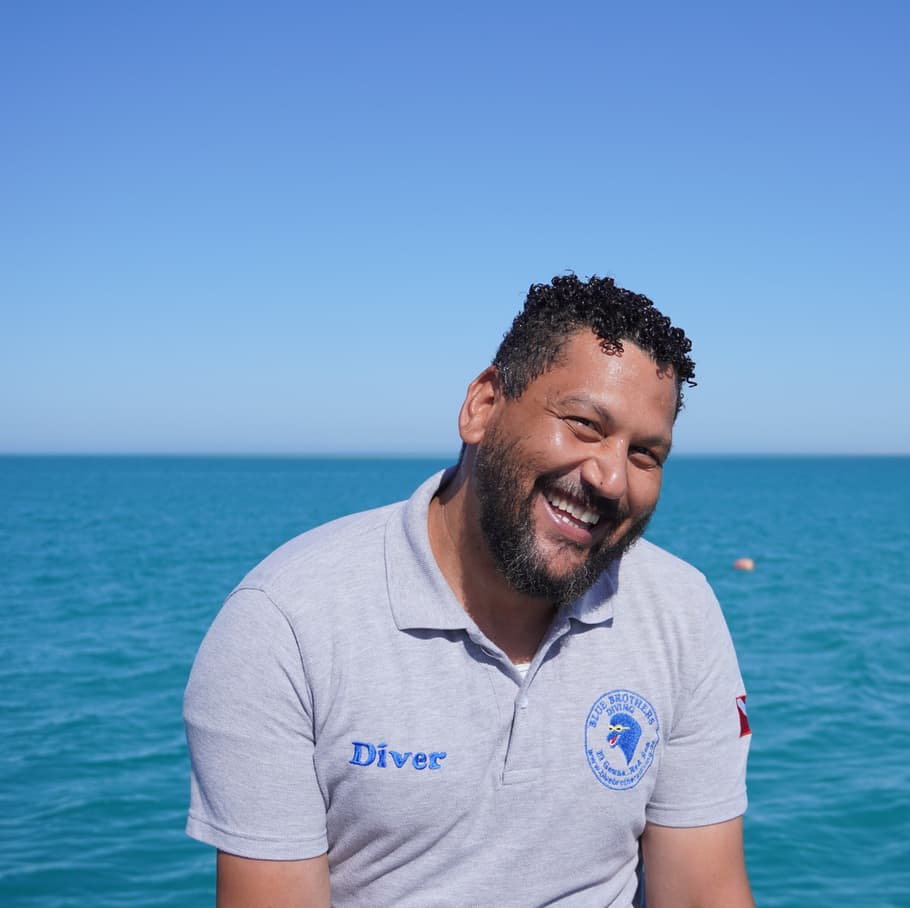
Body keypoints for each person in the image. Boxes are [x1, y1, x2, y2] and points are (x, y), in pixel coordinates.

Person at [184, 274, 754, 907]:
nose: (612, 478)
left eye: (645, 454)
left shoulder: (680, 611)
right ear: (483, 406)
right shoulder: (286, 624)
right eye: (584, 425)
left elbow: (704, 893)